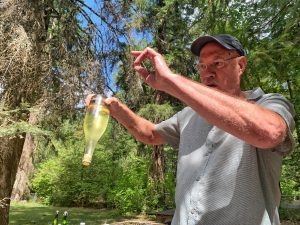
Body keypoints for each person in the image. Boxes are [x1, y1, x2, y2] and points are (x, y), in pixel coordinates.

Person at [86, 34, 295, 225]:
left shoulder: (268, 103)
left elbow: (270, 133)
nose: (208, 73)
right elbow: (149, 134)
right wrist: (116, 109)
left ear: (241, 65)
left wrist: (172, 82)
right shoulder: (189, 114)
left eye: (218, 63)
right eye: (202, 66)